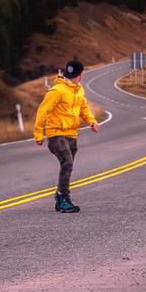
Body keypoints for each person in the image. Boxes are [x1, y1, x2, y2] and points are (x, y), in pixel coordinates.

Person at [34, 59, 98, 213]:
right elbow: (43, 111)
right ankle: (64, 198)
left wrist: (91, 121)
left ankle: (59, 195)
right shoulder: (57, 91)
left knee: (67, 166)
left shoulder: (78, 89)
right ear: (80, 74)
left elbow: (83, 107)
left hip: (72, 133)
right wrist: (38, 133)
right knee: (67, 162)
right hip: (56, 133)